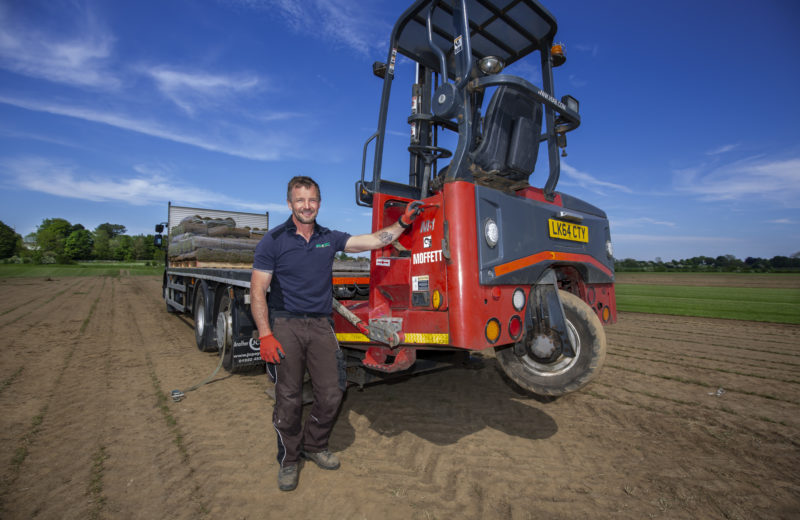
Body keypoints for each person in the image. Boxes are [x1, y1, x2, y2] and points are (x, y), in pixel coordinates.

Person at [250, 175, 422, 492]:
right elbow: (258, 291)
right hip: (285, 324)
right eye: (300, 200)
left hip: (320, 324)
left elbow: (372, 241)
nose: (306, 205)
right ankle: (289, 461)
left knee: (332, 392)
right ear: (289, 204)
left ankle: (315, 445)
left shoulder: (329, 238)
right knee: (287, 399)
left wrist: (402, 222)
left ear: (319, 203)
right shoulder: (273, 241)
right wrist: (265, 334)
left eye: (312, 199)